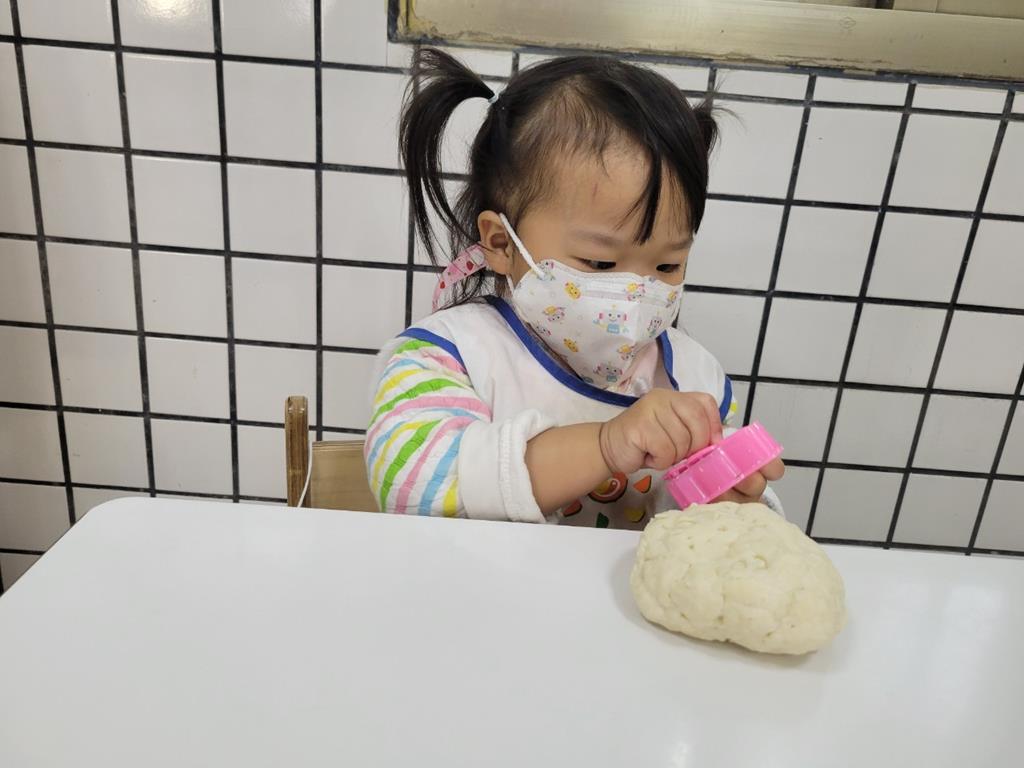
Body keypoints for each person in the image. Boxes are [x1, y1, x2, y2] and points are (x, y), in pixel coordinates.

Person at [364, 48, 784, 527]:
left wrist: (734, 500)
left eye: (668, 264)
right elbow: (412, 484)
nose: (637, 293)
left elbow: (733, 522)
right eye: (600, 262)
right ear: (501, 242)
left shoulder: (694, 378)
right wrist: (606, 444)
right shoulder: (448, 355)